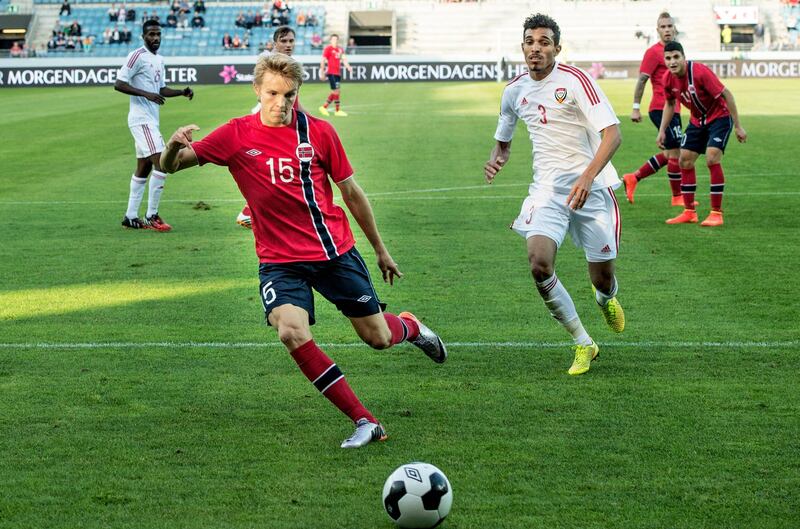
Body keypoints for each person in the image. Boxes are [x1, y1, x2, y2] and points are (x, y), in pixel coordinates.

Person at [160, 53, 447, 448]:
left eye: (290, 95)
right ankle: (365, 421)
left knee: (378, 338)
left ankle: (410, 326)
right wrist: (173, 147)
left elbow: (351, 193)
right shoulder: (235, 134)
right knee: (291, 331)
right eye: (273, 93)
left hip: (334, 254)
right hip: (280, 262)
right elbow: (172, 166)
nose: (281, 103)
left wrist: (381, 250)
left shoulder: (319, 133)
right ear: (257, 91)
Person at [484, 13, 625, 376]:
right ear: (523, 47)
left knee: (602, 278)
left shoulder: (576, 80)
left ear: (556, 49)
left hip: (591, 191)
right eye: (531, 42)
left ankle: (605, 297)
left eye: (544, 42)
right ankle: (583, 342)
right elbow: (504, 136)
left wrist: (586, 178)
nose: (536, 48)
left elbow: (613, 134)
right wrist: (498, 157)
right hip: (546, 191)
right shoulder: (514, 90)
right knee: (538, 263)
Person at [114, 20, 194, 231]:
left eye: (158, 34)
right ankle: (151, 215)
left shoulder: (159, 59)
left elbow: (161, 89)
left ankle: (130, 217)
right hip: (141, 120)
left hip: (150, 120)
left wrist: (180, 92)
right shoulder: (137, 55)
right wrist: (146, 94)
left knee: (144, 166)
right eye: (151, 34)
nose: (156, 38)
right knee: (162, 163)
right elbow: (119, 83)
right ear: (143, 36)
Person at [659, 41, 747, 227]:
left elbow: (726, 94)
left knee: (712, 158)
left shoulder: (699, 72)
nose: (672, 62)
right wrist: (662, 131)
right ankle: (689, 212)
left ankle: (716, 213)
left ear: (684, 57)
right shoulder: (668, 78)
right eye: (668, 58)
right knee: (684, 160)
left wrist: (738, 126)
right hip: (697, 121)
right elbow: (669, 104)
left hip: (719, 118)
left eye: (676, 57)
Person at [239, 26, 302, 229]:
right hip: (266, 123)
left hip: (278, 122)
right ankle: (249, 212)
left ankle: (258, 212)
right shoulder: (268, 63)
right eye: (284, 41)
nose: (288, 45)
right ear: (275, 43)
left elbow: (295, 102)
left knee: (278, 169)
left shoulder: (290, 65)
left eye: (291, 41)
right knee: (275, 169)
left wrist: (307, 120)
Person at [623, 12, 685, 207]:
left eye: (669, 26)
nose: (667, 30)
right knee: (676, 152)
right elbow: (642, 79)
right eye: (663, 27)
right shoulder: (653, 52)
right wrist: (635, 108)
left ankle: (634, 177)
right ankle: (677, 197)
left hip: (675, 109)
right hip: (660, 108)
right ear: (657, 30)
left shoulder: (676, 51)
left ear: (674, 28)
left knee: (670, 154)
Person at [318, 34, 353, 117]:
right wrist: (322, 72)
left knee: (336, 91)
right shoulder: (328, 49)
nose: (335, 41)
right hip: (331, 73)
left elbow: (344, 59)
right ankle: (335, 110)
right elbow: (323, 60)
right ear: (330, 40)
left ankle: (324, 107)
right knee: (336, 91)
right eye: (333, 39)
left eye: (336, 39)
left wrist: (348, 67)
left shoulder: (340, 49)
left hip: (337, 73)